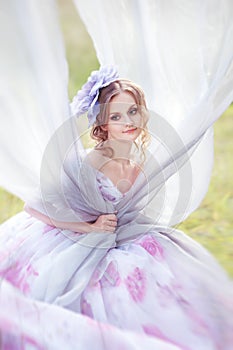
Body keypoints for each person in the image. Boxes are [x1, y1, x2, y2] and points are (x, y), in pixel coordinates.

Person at [0, 66, 232, 350]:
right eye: (116, 116)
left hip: (122, 236)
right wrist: (89, 227)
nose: (128, 121)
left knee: (171, 274)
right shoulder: (88, 163)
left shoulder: (138, 159)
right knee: (110, 289)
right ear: (103, 123)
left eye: (133, 111)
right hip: (73, 234)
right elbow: (36, 208)